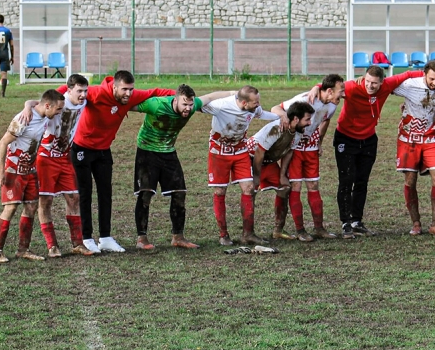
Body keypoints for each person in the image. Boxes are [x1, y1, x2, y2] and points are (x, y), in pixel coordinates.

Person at [57, 70, 175, 254]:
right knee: (85, 193)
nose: (128, 93)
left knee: (106, 193)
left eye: (131, 89)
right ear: (114, 87)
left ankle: (105, 237)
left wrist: (180, 97)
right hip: (81, 148)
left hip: (104, 150)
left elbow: (155, 92)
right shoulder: (96, 92)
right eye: (124, 89)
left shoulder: (131, 96)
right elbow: (65, 89)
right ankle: (87, 238)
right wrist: (49, 101)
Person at [309, 67, 422, 238]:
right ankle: (346, 223)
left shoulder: (387, 85)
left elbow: (408, 74)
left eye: (374, 83)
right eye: (368, 81)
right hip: (346, 138)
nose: (370, 85)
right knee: (346, 180)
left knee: (362, 181)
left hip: (368, 140)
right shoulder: (352, 87)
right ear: (364, 78)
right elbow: (330, 87)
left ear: (382, 82)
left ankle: (357, 221)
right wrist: (316, 87)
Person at [132, 85, 235, 250]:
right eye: (184, 104)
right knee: (145, 194)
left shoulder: (192, 107)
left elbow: (210, 96)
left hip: (168, 152)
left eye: (190, 104)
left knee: (179, 193)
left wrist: (233, 93)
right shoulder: (156, 105)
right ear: (175, 100)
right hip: (147, 151)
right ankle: (141, 239)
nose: (188, 108)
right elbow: (129, 105)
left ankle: (178, 237)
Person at [0, 90, 65, 263]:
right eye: (58, 109)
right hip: (14, 170)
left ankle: (23, 250)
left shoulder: (42, 112)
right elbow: (3, 142)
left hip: (30, 170)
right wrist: (0, 171)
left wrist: (27, 104)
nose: (59, 113)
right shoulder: (23, 119)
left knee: (31, 207)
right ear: (48, 106)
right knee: (11, 208)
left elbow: (35, 102)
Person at [203, 85, 279, 246]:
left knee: (249, 188)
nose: (258, 105)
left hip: (240, 150)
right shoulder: (221, 106)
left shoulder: (253, 109)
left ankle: (248, 234)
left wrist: (281, 117)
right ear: (244, 103)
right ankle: (223, 235)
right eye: (255, 102)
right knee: (220, 191)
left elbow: (263, 114)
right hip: (219, 152)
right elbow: (198, 105)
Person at [271, 75, 344, 241]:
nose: (343, 94)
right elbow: (276, 108)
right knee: (295, 186)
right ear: (330, 91)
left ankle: (319, 228)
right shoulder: (305, 100)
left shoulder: (332, 105)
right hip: (294, 148)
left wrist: (319, 142)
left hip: (311, 148)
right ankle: (300, 230)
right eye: (341, 91)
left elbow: (325, 120)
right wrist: (284, 117)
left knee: (313, 185)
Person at [34, 75, 94, 257]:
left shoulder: (83, 102)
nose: (83, 95)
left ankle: (77, 243)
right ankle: (52, 245)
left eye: (85, 91)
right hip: (46, 158)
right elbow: (38, 103)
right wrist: (27, 106)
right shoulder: (59, 101)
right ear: (68, 90)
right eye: (79, 91)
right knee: (46, 200)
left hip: (65, 157)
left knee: (74, 198)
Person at [394, 60, 435, 238]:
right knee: (410, 180)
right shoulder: (409, 85)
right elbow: (385, 86)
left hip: (431, 139)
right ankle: (416, 223)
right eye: (431, 79)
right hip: (408, 140)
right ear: (424, 74)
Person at [250, 102, 315, 241]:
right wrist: (256, 176)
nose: (310, 123)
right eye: (307, 119)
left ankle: (278, 230)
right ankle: (248, 233)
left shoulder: (298, 131)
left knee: (284, 188)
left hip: (268, 162)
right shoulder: (276, 128)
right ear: (296, 119)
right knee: (250, 191)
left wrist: (282, 175)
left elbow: (288, 151)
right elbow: (259, 152)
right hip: (251, 159)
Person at [0, 14, 14, 98]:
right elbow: (11, 45)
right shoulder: (8, 31)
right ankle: (3, 93)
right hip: (5, 54)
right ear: (3, 21)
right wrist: (12, 56)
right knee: (4, 73)